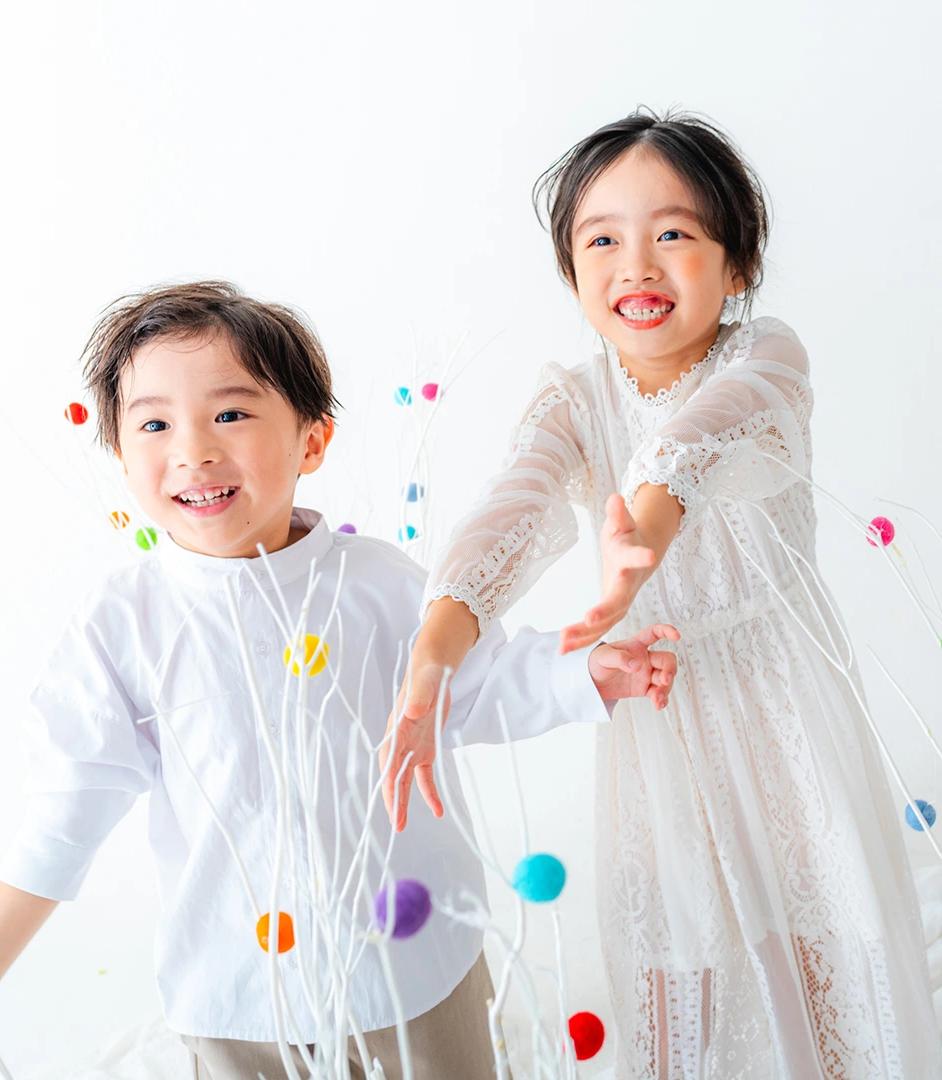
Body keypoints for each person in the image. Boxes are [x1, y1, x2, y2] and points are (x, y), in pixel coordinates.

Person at [0, 281, 680, 1079]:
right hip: (237, 996)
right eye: (154, 423)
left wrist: (585, 672)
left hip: (415, 967)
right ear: (120, 455)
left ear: (312, 442)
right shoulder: (122, 626)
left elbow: (478, 683)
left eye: (230, 414)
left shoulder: (378, 583)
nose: (193, 450)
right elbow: (62, 822)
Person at [381, 111, 941, 1078]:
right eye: (602, 240)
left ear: (738, 263)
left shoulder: (767, 357)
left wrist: (638, 539)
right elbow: (512, 507)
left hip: (781, 699)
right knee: (678, 946)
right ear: (571, 272)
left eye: (673, 233)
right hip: (658, 705)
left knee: (820, 920)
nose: (635, 264)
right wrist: (433, 658)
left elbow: (696, 443)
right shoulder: (571, 398)